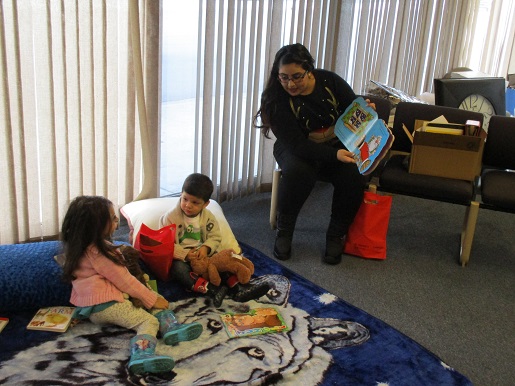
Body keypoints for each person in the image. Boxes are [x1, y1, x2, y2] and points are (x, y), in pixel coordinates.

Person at [253, 43, 370, 265]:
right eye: (284, 77)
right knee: (299, 171)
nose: (290, 83)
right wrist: (335, 155)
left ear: (310, 70)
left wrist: (363, 113)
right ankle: (284, 230)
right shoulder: (275, 98)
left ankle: (336, 233)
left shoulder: (330, 81)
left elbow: (353, 111)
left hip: (337, 144)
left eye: (297, 76)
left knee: (354, 175)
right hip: (294, 147)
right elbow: (297, 145)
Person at [61, 195, 203, 376]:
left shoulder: (78, 247)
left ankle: (170, 328)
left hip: (93, 305)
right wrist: (152, 300)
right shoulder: (100, 253)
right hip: (107, 305)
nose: (116, 221)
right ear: (96, 226)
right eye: (112, 218)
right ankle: (142, 355)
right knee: (147, 319)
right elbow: (125, 281)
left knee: (144, 289)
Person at [159, 173, 270, 306]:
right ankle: (212, 290)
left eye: (195, 202)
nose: (188, 205)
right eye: (185, 199)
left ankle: (238, 288)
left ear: (206, 204)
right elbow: (166, 244)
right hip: (183, 259)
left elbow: (215, 236)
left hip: (206, 255)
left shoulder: (208, 217)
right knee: (178, 270)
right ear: (181, 195)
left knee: (223, 261)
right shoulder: (170, 218)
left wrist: (206, 248)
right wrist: (185, 254)